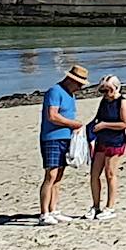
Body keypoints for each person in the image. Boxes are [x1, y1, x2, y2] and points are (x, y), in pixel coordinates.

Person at [37, 62, 92, 224]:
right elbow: (52, 116)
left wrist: (74, 127)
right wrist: (73, 124)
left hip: (66, 137)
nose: (80, 88)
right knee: (51, 174)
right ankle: (44, 213)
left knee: (59, 175)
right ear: (71, 80)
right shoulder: (55, 91)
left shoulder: (70, 95)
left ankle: (53, 209)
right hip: (52, 137)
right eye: (79, 84)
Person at [88, 76, 126, 218]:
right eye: (103, 90)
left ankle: (110, 207)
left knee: (110, 173)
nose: (105, 93)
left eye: (108, 90)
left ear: (116, 88)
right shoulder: (104, 101)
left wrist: (105, 125)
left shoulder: (121, 102)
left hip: (115, 141)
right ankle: (95, 206)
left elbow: (125, 124)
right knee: (94, 174)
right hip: (101, 141)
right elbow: (98, 118)